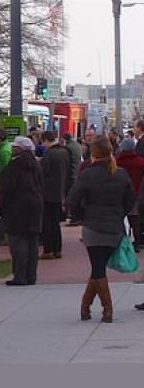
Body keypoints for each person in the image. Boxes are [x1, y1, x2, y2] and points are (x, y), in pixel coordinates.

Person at [67, 136, 134, 323]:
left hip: (93, 228)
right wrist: (119, 214)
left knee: (98, 268)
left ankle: (107, 310)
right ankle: (85, 306)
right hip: (114, 228)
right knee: (98, 267)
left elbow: (72, 200)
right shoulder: (120, 173)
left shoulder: (88, 174)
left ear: (94, 153)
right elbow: (130, 200)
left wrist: (81, 216)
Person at [0, 137, 43, 286]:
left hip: (17, 207)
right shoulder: (36, 165)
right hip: (35, 206)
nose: (12, 149)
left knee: (18, 242)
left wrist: (0, 204)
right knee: (32, 243)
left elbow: (8, 189)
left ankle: (20, 275)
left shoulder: (13, 167)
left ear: (20, 149)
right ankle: (31, 275)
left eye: (14, 146)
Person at [39, 130, 70, 259]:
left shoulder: (49, 154)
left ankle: (48, 250)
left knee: (47, 222)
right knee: (55, 222)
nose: (43, 145)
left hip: (47, 192)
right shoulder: (64, 152)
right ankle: (58, 249)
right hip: (59, 191)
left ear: (46, 140)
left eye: (43, 142)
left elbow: (43, 172)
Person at [115, 137, 144, 252]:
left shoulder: (117, 162)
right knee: (135, 220)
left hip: (119, 195)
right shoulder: (141, 162)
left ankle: (121, 242)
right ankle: (136, 244)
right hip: (136, 194)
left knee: (120, 219)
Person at [63, 132, 82, 225]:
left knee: (68, 195)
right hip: (76, 172)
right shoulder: (78, 146)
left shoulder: (68, 148)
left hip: (70, 174)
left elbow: (66, 162)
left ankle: (69, 215)